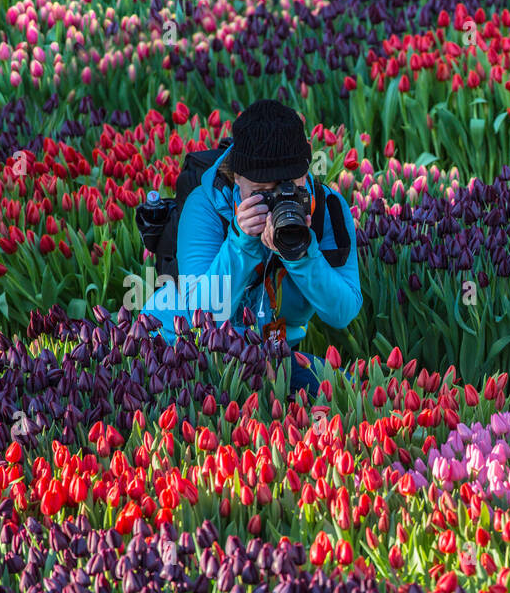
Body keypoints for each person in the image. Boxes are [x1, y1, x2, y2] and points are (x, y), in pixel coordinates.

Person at [143, 99, 361, 396]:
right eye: (262, 192)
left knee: (346, 393)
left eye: (289, 188)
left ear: (306, 171)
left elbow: (342, 312)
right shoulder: (204, 207)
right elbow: (201, 319)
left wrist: (300, 254)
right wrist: (241, 242)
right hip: (181, 347)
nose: (276, 203)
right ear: (236, 177)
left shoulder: (326, 209)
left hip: (272, 350)